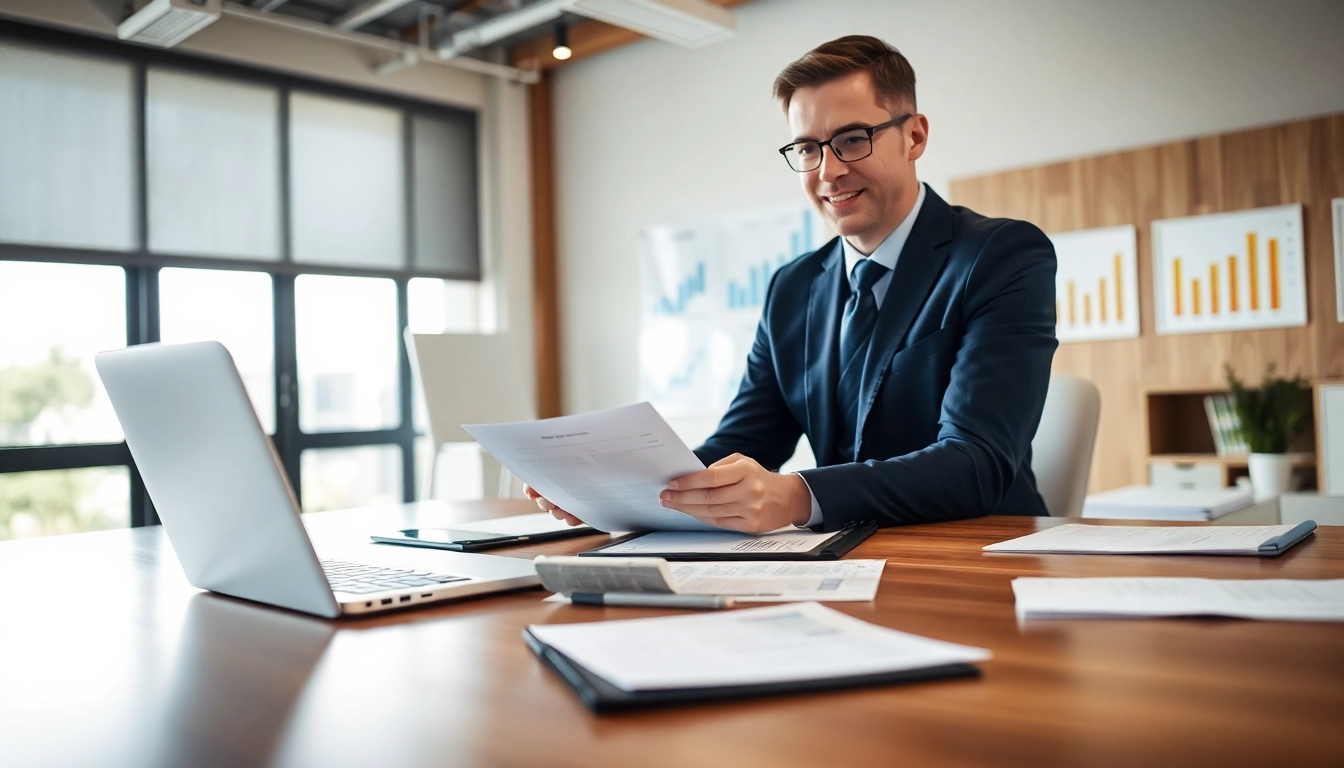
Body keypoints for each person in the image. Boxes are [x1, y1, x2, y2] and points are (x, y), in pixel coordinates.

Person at [528, 35, 1057, 532]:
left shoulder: (1000, 256)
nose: (827, 171)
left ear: (914, 135)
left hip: (978, 558)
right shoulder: (793, 286)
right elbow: (747, 440)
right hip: (845, 563)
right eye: (806, 149)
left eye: (852, 139)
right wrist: (617, 489)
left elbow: (977, 462)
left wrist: (797, 495)